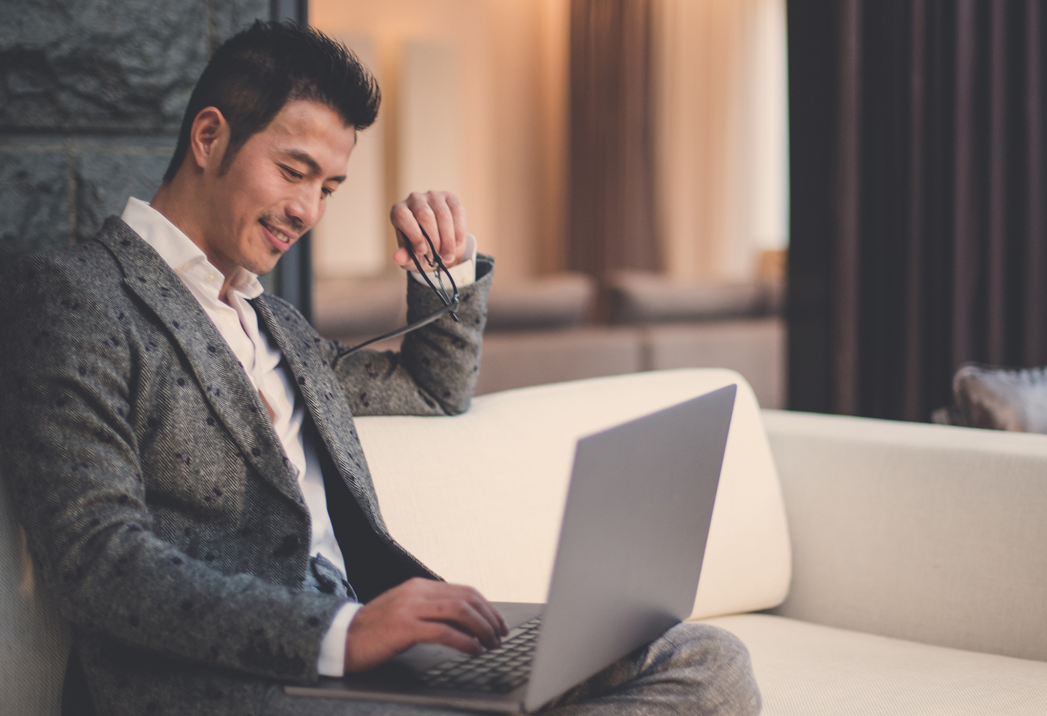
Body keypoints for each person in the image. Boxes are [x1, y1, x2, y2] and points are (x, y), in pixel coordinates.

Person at [0, 21, 760, 716]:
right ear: (208, 137)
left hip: (374, 663)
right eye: (294, 171)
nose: (309, 211)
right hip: (235, 683)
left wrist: (445, 274)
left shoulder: (278, 327)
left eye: (328, 187)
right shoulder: (76, 298)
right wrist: (341, 631)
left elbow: (430, 390)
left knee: (706, 661)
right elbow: (98, 561)